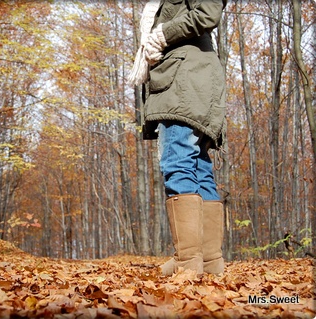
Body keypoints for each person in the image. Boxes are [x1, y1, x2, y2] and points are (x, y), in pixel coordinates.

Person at [129, 0, 227, 276]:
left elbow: (207, 13)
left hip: (185, 81)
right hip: (194, 79)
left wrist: (162, 34)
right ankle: (209, 261)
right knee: (198, 166)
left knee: (178, 162)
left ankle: (187, 261)